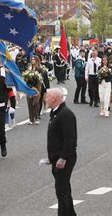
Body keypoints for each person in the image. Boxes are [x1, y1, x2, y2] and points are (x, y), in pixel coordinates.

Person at [45, 88, 77, 216]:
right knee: (64, 189)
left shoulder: (66, 114)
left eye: (47, 97)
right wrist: (51, 158)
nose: (45, 99)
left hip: (65, 159)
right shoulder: (55, 113)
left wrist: (63, 158)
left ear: (54, 98)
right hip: (57, 159)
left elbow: (70, 139)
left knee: (61, 192)